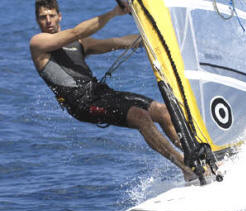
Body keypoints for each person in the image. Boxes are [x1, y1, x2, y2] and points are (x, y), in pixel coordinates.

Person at [30, 0, 198, 181]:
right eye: (43, 17)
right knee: (140, 117)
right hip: (82, 104)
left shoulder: (79, 43)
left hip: (100, 93)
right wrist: (113, 13)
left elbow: (117, 42)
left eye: (51, 15)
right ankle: (186, 168)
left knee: (163, 111)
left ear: (59, 16)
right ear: (37, 20)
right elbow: (76, 31)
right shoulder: (38, 44)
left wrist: (153, 36)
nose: (48, 20)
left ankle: (196, 157)